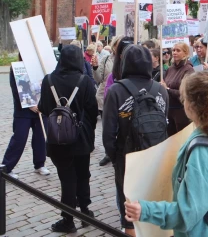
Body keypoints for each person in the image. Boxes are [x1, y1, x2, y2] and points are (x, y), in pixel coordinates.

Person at [124, 72, 208, 236]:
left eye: (184, 98)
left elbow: (188, 214)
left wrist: (146, 210)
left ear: (193, 105)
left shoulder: (201, 151)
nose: (182, 102)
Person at [103, 45, 169, 236]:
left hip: (128, 157)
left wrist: (115, 157)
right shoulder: (160, 90)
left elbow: (108, 132)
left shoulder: (116, 90)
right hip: (155, 156)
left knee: (129, 208)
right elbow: (164, 122)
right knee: (152, 202)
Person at [38, 45, 98, 233]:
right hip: (81, 138)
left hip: (59, 138)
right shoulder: (85, 81)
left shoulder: (48, 80)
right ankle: (85, 211)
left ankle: (68, 219)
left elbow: (45, 108)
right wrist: (88, 131)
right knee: (83, 175)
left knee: (67, 179)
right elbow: (93, 111)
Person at [2, 54, 49, 179]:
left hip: (40, 109)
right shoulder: (16, 68)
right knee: (19, 138)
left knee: (40, 138)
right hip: (23, 111)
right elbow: (16, 89)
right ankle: (6, 167)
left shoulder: (40, 67)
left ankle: (39, 164)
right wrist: (29, 105)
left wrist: (42, 104)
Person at [93, 36, 121, 167]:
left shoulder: (128, 58)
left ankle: (120, 151)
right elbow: (98, 78)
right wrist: (95, 67)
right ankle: (108, 152)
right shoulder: (106, 59)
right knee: (107, 127)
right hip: (106, 97)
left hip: (122, 98)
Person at [162, 42, 195, 136]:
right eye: (173, 50)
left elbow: (186, 93)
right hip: (169, 110)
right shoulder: (170, 69)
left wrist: (168, 89)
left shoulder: (188, 70)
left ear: (185, 53)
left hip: (181, 112)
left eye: (178, 50)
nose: (175, 52)